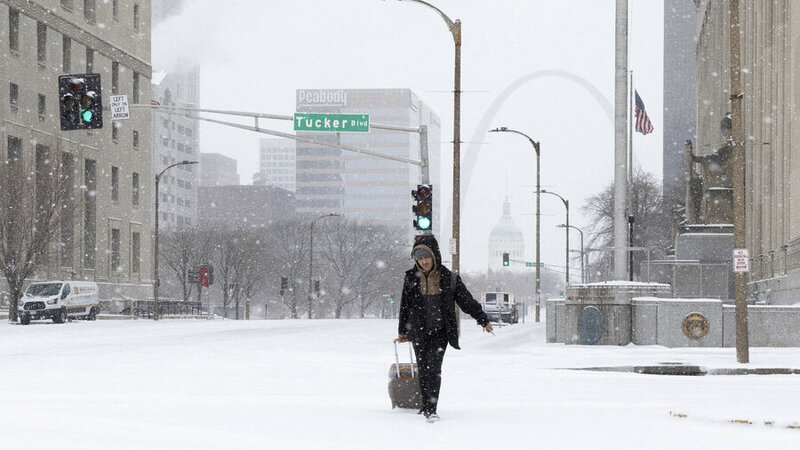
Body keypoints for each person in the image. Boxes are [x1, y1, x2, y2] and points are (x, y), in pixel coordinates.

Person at [396, 235, 493, 422]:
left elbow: (467, 302)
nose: (423, 261)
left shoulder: (449, 279)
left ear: (435, 256)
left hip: (440, 331)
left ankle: (431, 408)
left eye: (427, 257)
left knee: (434, 368)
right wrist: (403, 331)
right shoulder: (410, 278)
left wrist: (483, 320)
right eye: (420, 258)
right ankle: (425, 404)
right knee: (424, 369)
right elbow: (405, 306)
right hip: (419, 331)